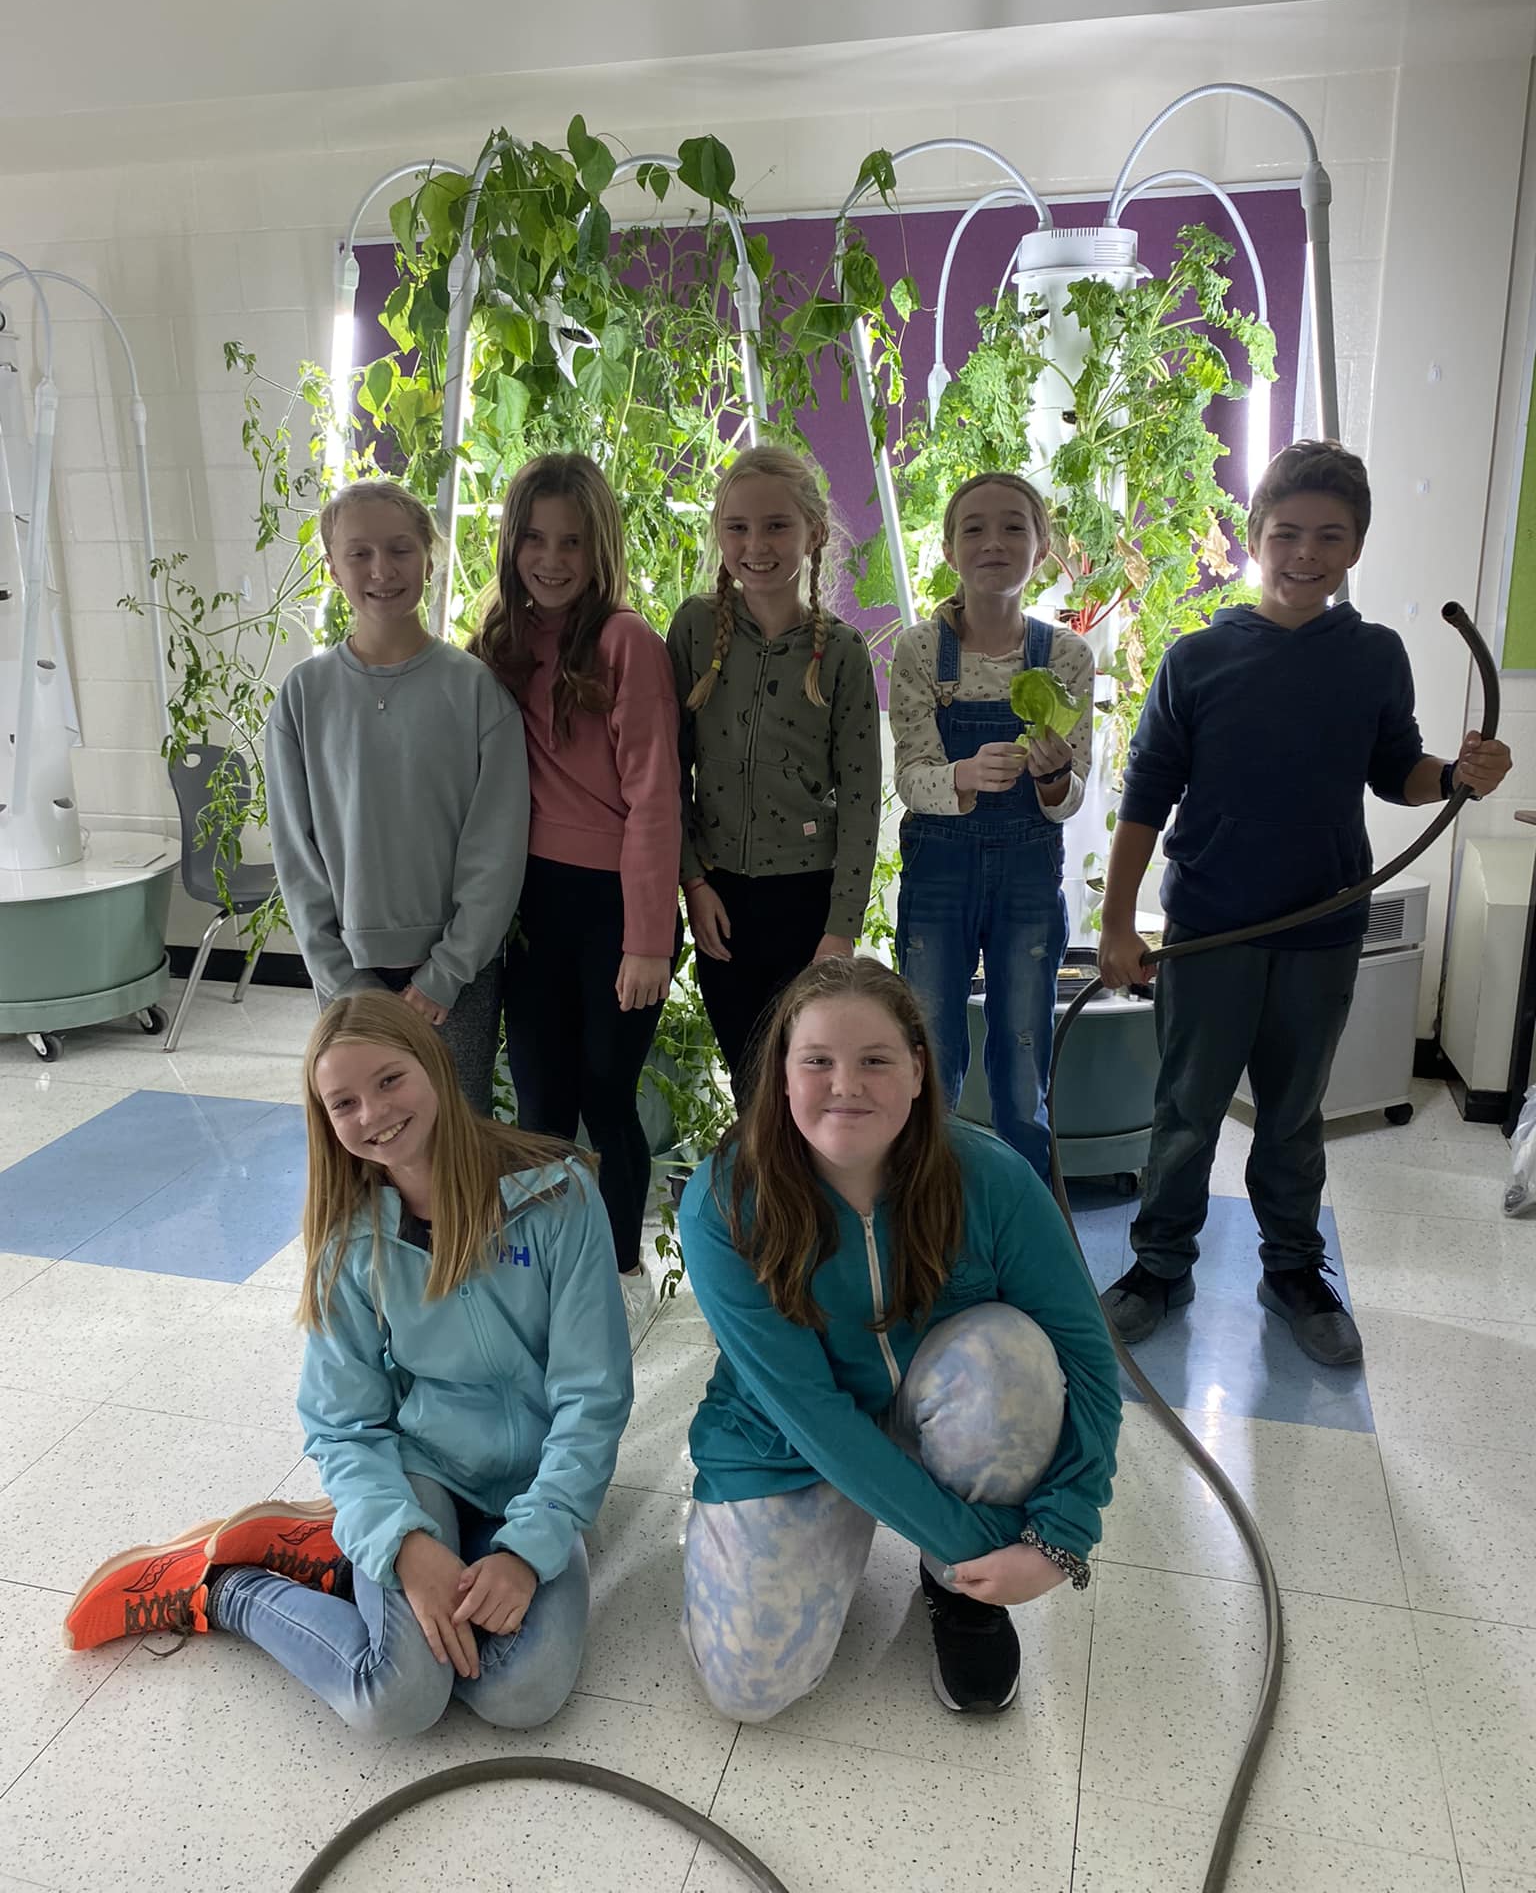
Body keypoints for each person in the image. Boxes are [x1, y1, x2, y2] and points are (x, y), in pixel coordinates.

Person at [63, 992, 633, 1740]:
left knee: (522, 1693)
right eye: (344, 1103)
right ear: (325, 1118)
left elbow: (593, 1397)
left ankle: (340, 1559)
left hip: (538, 1483)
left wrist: (530, 1549)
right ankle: (223, 1588)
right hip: (423, 1471)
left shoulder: (559, 1195)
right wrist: (404, 1544)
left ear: (435, 1065)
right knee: (397, 1699)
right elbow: (341, 1423)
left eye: (390, 1080)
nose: (374, 1113)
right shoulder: (351, 1239)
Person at [1097, 439, 1513, 1364]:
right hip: (1210, 932)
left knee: (1293, 1114)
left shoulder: (1373, 655)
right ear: (1254, 537)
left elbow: (1396, 769)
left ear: (1356, 547)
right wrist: (1118, 922)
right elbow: (1145, 797)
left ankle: (1292, 1269)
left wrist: (1455, 774)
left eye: (1330, 536)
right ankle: (1158, 1265)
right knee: (1187, 1109)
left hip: (1322, 928)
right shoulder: (1196, 659)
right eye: (1286, 533)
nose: (1305, 553)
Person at [677, 957, 1119, 1721]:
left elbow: (1088, 1357)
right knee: (749, 1689)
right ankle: (934, 1547)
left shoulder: (994, 1180)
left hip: (939, 1397)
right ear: (781, 1076)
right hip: (794, 1435)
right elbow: (811, 1413)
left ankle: (960, 1595)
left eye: (875, 1061)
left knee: (1012, 1359)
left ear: (918, 1071)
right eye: (818, 1061)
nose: (846, 1085)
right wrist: (987, 1541)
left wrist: (1062, 1535)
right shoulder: (723, 1203)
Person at [470, 453, 683, 1346]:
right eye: (534, 539)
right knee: (541, 1104)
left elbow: (656, 797)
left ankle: (623, 1271)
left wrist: (647, 939)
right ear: (511, 544)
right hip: (530, 904)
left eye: (571, 542)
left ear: (600, 549)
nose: (551, 560)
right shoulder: (498, 643)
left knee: (606, 1091)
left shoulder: (626, 642)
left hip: (616, 906)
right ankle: (546, 1269)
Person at [266, 479, 527, 1113]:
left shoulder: (476, 692)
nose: (382, 570)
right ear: (333, 569)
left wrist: (447, 971)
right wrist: (341, 979)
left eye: (401, 549)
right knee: (366, 1135)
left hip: (456, 976)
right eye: (359, 553)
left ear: (429, 560)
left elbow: (495, 848)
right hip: (346, 972)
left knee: (457, 1128)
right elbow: (296, 855)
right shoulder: (303, 696)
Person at [889, 472, 1094, 1181]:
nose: (994, 542)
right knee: (929, 1053)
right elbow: (910, 779)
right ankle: (925, 1205)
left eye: (1014, 527)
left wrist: (1052, 776)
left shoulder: (1065, 657)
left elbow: (1069, 798)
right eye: (973, 528)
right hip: (939, 877)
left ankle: (1026, 1210)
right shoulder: (921, 652)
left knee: (1023, 1058)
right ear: (949, 549)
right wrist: (965, 775)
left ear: (1041, 549)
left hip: (1028, 879)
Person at [667, 445, 881, 1096]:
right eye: (737, 527)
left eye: (776, 526)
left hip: (807, 903)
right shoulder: (694, 629)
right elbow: (668, 770)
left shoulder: (841, 652)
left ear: (813, 533)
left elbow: (862, 800)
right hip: (721, 901)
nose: (756, 545)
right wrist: (693, 882)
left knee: (804, 1083)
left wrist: (840, 930)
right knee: (750, 1082)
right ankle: (756, 1170)